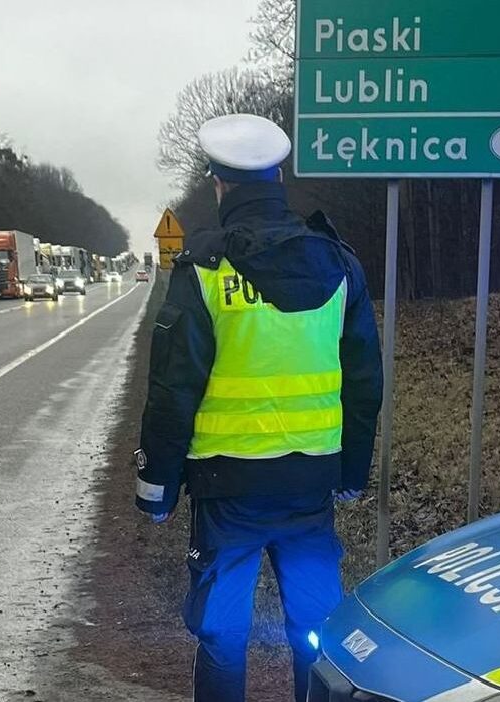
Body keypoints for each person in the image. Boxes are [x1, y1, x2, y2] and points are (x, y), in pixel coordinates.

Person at [134, 113, 383, 702]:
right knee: (318, 629)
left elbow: (174, 389)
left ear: (219, 185)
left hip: (228, 492)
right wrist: (351, 473)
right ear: (278, 178)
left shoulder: (203, 269)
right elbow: (364, 378)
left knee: (223, 634)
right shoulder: (339, 263)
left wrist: (157, 488)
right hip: (311, 487)